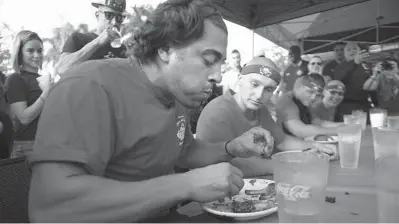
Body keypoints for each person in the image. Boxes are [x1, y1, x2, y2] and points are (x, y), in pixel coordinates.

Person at [28, 1, 281, 222]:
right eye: (208, 60)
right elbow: (51, 209)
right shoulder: (89, 85)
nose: (216, 76)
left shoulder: (176, 95)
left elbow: (186, 152)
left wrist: (231, 148)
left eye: (220, 64)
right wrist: (185, 184)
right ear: (165, 49)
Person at [196, 57, 337, 177]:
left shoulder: (260, 109)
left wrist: (314, 147)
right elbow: (227, 164)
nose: (259, 95)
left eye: (268, 89)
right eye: (254, 84)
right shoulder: (218, 112)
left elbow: (281, 141)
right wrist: (287, 166)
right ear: (240, 79)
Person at [4, 30, 53, 158]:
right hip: (27, 147)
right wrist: (47, 93)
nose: (37, 55)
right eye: (30, 51)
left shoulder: (45, 80)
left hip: (50, 144)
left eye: (40, 50)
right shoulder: (15, 79)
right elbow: (24, 118)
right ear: (20, 53)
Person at [55, 0, 127, 76]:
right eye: (109, 15)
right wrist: (97, 41)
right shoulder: (78, 39)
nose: (114, 22)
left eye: (119, 18)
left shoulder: (124, 50)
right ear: (97, 15)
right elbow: (62, 69)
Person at [276, 73, 341, 139]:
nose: (313, 97)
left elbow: (317, 122)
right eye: (310, 92)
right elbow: (300, 131)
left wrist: (345, 126)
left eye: (317, 95)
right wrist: (339, 131)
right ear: (301, 88)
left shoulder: (303, 101)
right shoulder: (287, 102)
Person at [330, 42, 373, 122]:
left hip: (364, 105)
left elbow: (371, 87)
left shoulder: (366, 66)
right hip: (346, 106)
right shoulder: (340, 67)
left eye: (354, 49)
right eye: (348, 50)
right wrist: (354, 63)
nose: (352, 51)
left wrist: (376, 104)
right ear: (345, 54)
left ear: (359, 51)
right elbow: (339, 79)